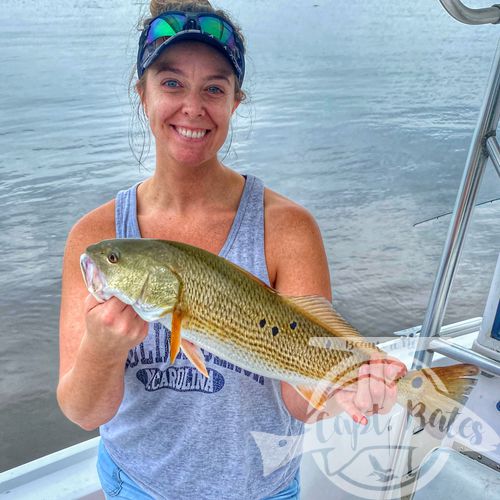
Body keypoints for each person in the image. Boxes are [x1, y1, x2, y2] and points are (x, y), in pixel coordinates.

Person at [57, 1, 406, 498]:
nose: (192, 108)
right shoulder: (91, 233)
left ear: (235, 102)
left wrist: (350, 386)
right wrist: (102, 348)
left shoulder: (289, 228)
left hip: (261, 488)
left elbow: (298, 401)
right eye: (171, 82)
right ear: (143, 94)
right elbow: (84, 412)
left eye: (214, 88)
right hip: (135, 483)